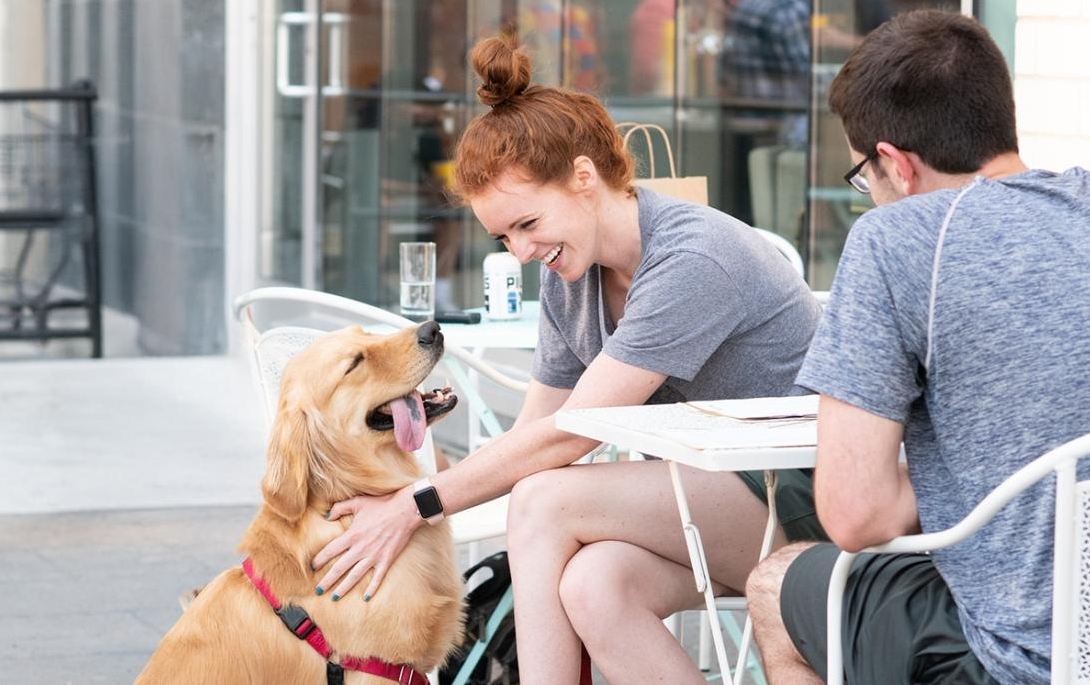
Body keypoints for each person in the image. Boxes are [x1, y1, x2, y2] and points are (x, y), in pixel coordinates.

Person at [742, 11, 1090, 685]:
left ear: (894, 162)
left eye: (864, 177)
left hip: (1042, 659)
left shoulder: (898, 242)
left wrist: (985, 480)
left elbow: (855, 514)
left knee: (777, 583)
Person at [311, 34, 825, 682]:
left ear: (584, 178)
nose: (521, 252)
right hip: (717, 503)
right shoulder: (570, 276)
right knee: (594, 585)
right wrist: (415, 476)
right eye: (504, 236)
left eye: (528, 225)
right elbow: (533, 431)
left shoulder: (693, 257)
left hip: (802, 495)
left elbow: (570, 436)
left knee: (545, 499)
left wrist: (416, 503)